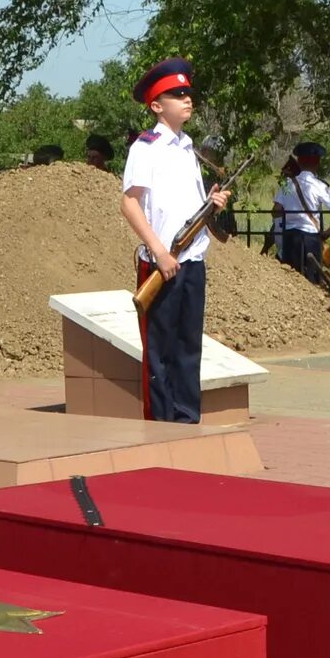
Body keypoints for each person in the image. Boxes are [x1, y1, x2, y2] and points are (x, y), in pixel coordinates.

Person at [119, 59, 231, 421]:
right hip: (162, 263)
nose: (187, 100)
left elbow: (187, 205)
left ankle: (187, 419)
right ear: (156, 105)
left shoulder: (187, 146)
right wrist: (159, 252)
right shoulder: (146, 147)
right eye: (177, 95)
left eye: (188, 93)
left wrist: (212, 203)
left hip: (192, 260)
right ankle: (161, 423)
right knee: (160, 350)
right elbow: (130, 203)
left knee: (188, 347)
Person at [271, 141, 330, 288]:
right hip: (311, 238)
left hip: (290, 237)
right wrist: (328, 232)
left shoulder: (287, 184)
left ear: (299, 162)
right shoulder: (320, 186)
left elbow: (275, 211)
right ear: (318, 163)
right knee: (313, 282)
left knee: (291, 280)